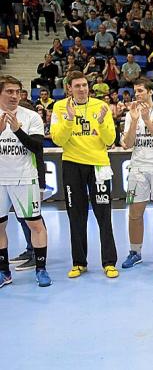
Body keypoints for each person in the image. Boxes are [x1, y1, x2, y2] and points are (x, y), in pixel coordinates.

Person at [50, 71, 118, 279]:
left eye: (84, 85)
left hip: (99, 166)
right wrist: (69, 120)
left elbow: (110, 139)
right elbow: (58, 140)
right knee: (76, 215)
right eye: (77, 86)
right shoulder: (59, 107)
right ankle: (79, 262)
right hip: (72, 165)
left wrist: (101, 121)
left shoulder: (101, 106)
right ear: (69, 88)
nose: (82, 89)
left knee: (104, 215)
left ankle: (109, 262)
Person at [0, 76, 51, 288]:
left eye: (17, 91)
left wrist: (17, 130)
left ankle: (41, 269)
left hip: (24, 179)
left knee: (35, 224)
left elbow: (37, 148)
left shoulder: (31, 117)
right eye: (9, 91)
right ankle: (4, 272)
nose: (14, 96)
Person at [119, 78, 153, 268]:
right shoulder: (131, 113)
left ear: (150, 92)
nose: (137, 94)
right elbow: (129, 143)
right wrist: (133, 121)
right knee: (135, 213)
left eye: (140, 91)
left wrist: (147, 120)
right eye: (135, 91)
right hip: (138, 168)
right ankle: (135, 251)